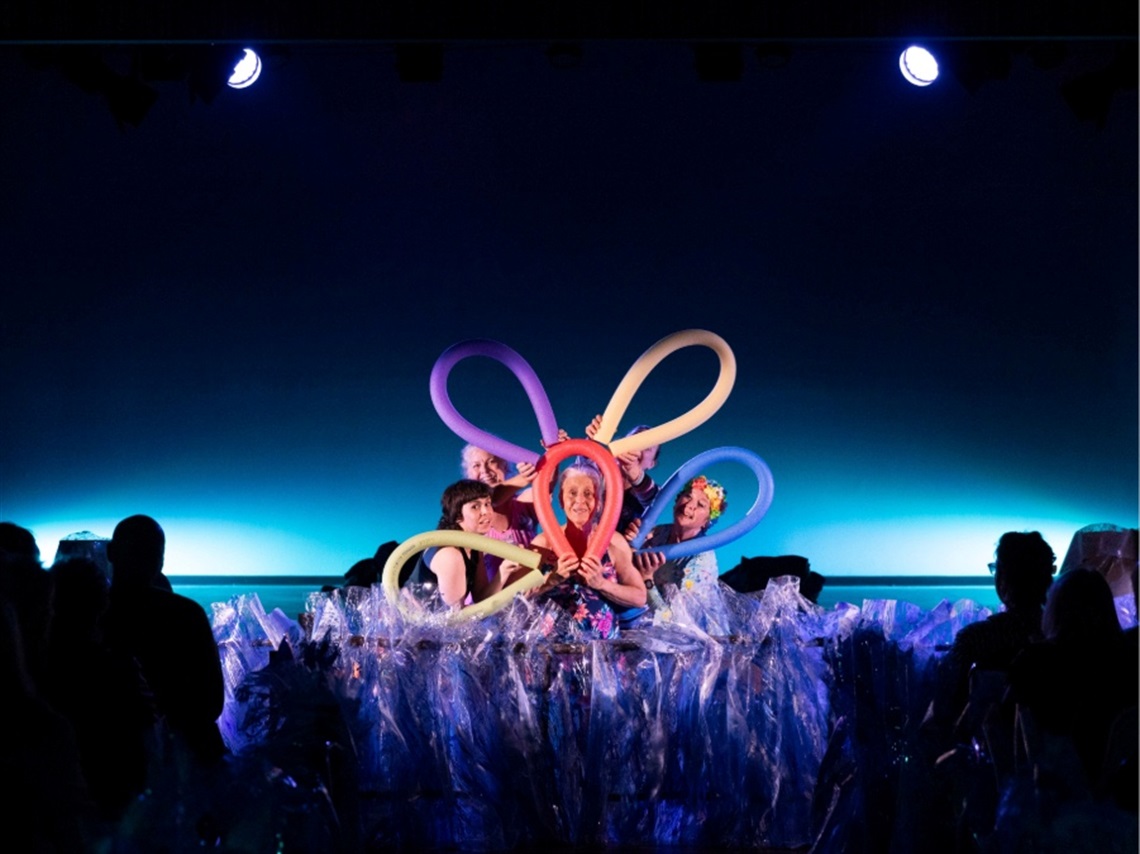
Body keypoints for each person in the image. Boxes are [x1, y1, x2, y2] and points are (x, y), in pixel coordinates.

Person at [103, 514, 227, 768]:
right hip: (185, 756)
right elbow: (212, 703)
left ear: (111, 553)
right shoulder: (186, 613)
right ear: (160, 560)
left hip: (109, 757)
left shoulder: (88, 612)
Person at [525, 461, 646, 638]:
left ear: (598, 502)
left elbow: (639, 597)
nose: (580, 500)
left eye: (588, 493)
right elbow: (519, 594)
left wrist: (603, 584)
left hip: (603, 653)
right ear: (561, 500)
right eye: (572, 493)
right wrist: (551, 580)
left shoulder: (614, 541)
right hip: (552, 653)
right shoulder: (543, 543)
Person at [620, 475, 727, 628]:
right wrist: (629, 542)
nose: (690, 505)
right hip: (645, 626)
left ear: (706, 522)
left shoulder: (702, 560)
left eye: (701, 505)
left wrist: (647, 580)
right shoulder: (656, 533)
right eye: (687, 496)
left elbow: (679, 625)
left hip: (691, 642)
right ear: (676, 501)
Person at [406, 479, 506, 608]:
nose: (486, 511)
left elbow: (481, 598)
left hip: (432, 625)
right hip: (406, 625)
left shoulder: (474, 547)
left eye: (487, 504)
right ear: (457, 515)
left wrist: (504, 571)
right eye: (475, 506)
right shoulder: (450, 553)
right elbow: (456, 618)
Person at [460, 444, 540, 579]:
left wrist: (554, 447)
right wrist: (525, 477)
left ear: (505, 466)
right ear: (468, 474)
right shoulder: (465, 512)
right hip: (485, 599)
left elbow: (547, 481)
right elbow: (491, 497)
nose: (484, 470)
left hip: (528, 596)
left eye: (491, 461)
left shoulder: (523, 502)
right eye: (476, 466)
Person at [585, 417, 661, 532]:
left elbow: (654, 501)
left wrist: (634, 472)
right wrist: (592, 440)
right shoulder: (597, 471)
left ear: (652, 464)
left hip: (619, 548)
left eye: (647, 447)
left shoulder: (651, 493)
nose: (637, 448)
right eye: (634, 440)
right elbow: (581, 470)